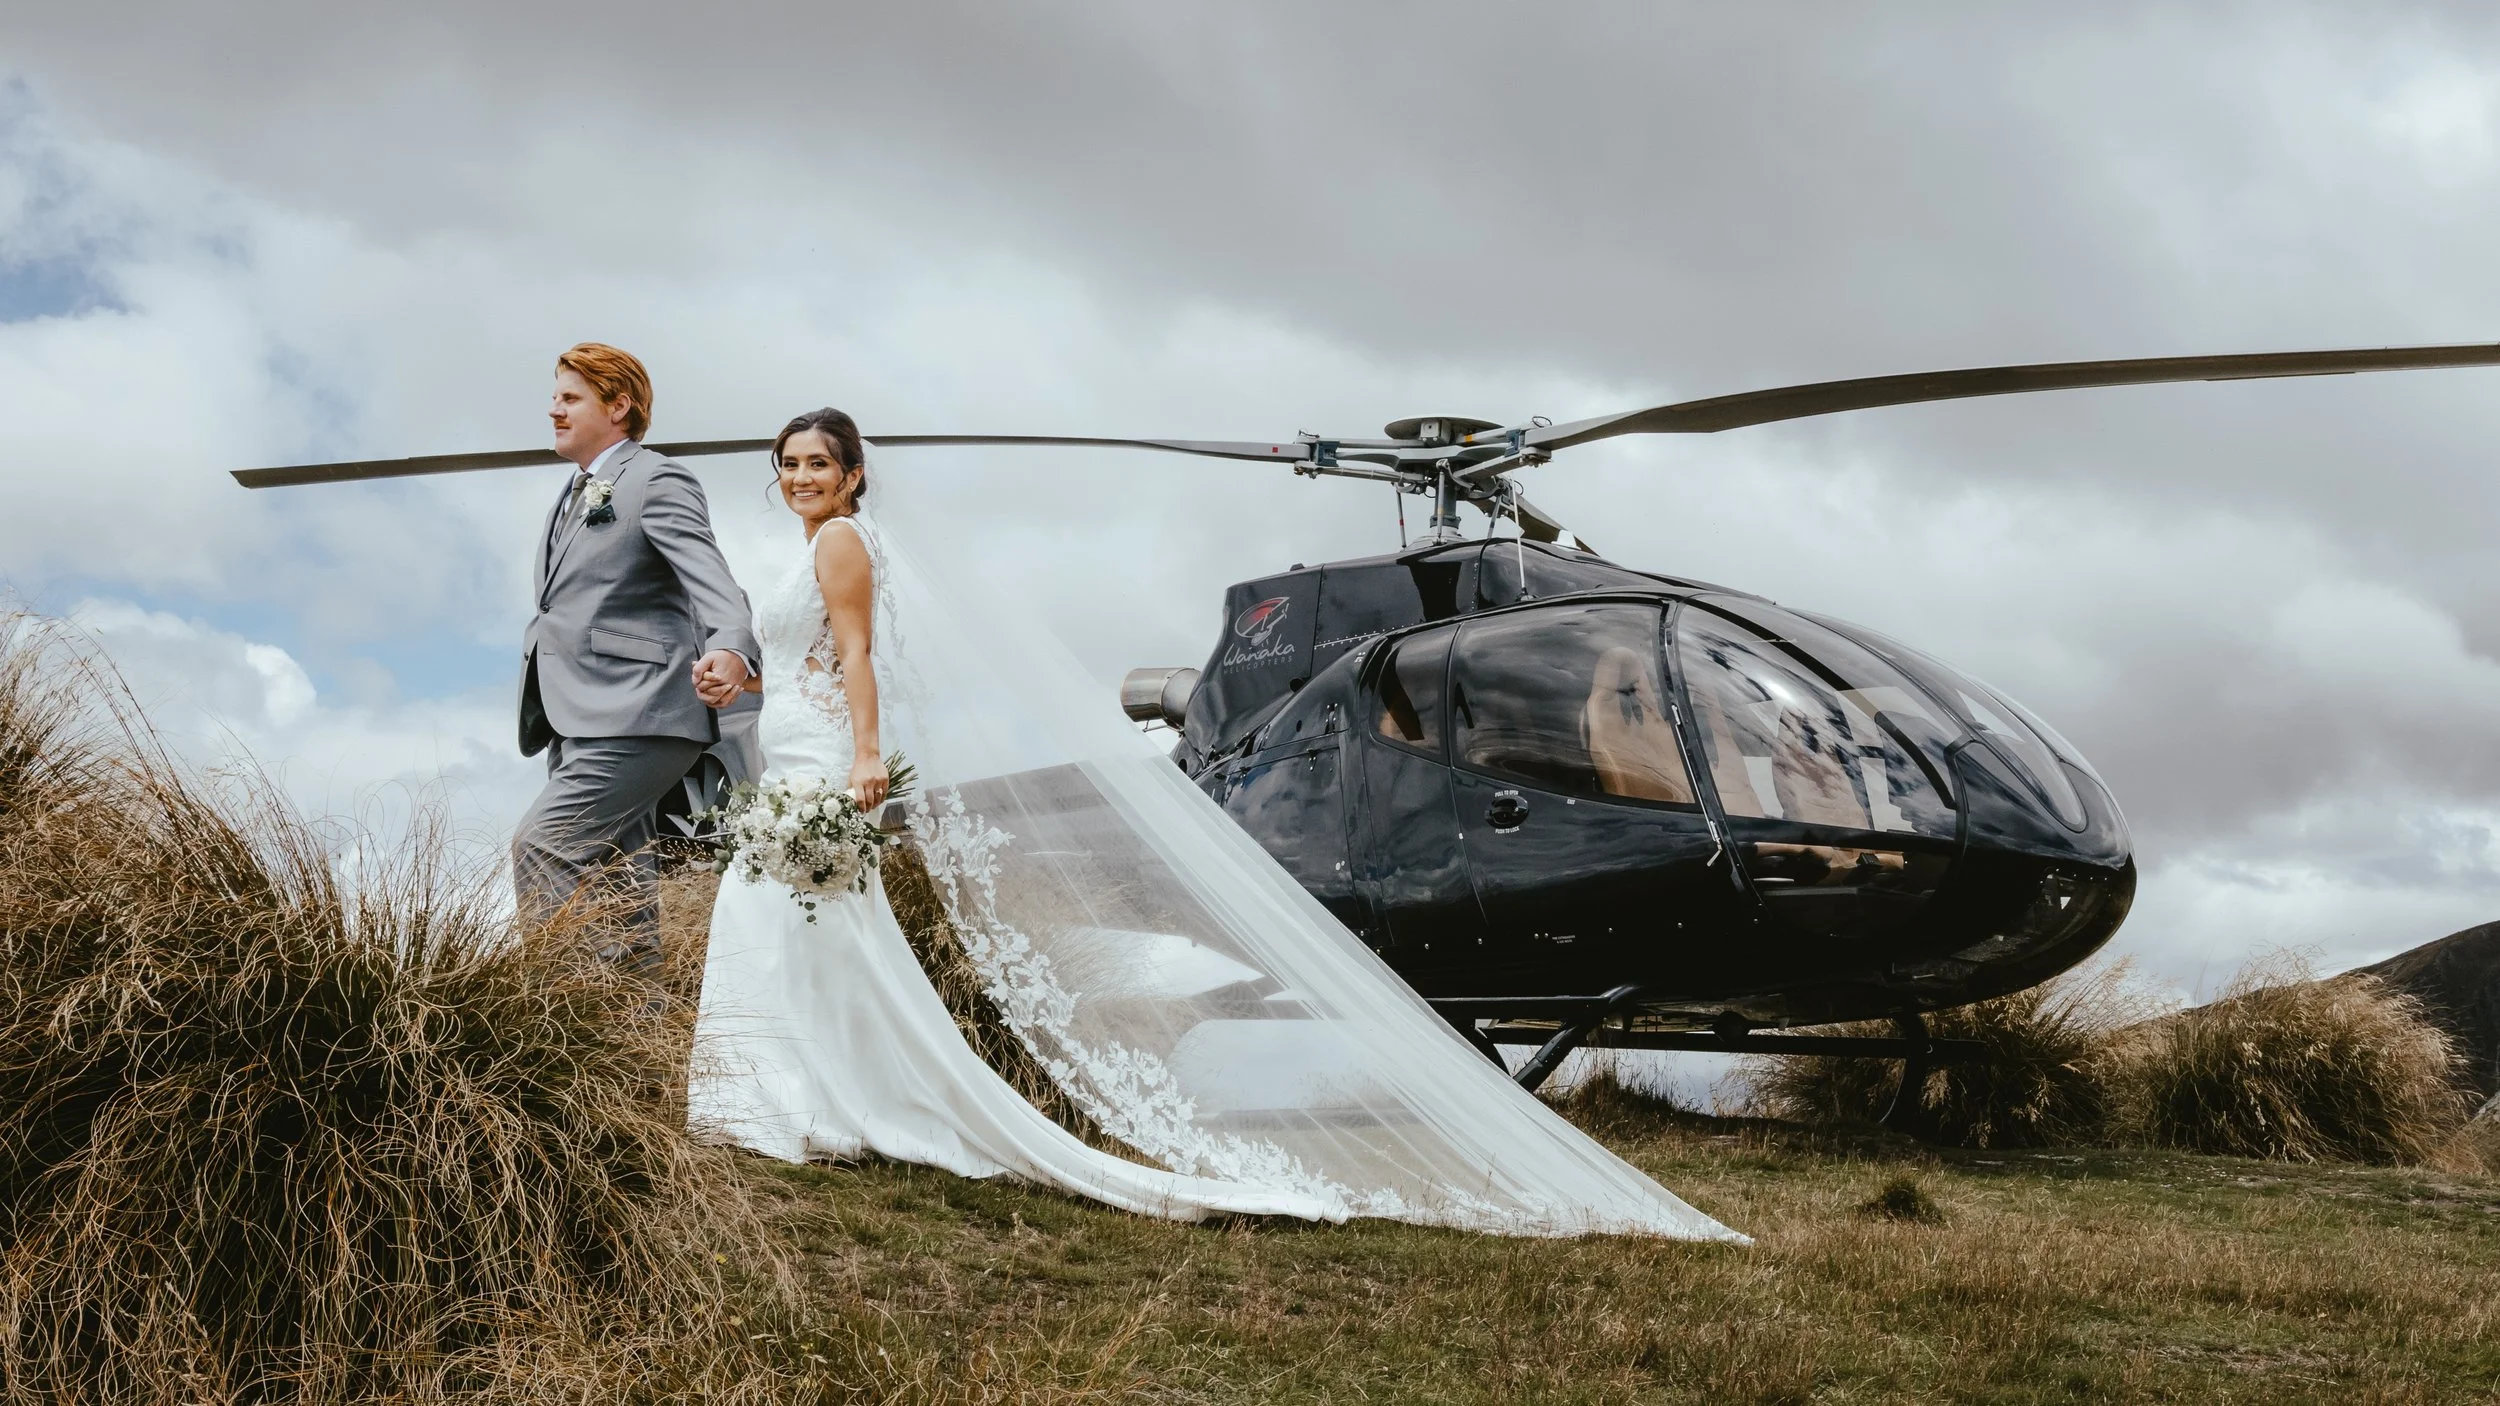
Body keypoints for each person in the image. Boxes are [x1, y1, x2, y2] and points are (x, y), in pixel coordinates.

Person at [687, 407, 1745, 1241]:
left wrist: (867, 755)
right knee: (807, 932)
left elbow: (862, 658)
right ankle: (809, 1097)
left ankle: (810, 1098)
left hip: (827, 761)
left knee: (801, 927)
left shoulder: (839, 545)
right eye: (785, 463)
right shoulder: (819, 545)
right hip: (797, 748)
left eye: (815, 463)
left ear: (853, 472)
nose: (798, 477)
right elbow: (825, 657)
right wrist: (742, 672)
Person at [513, 343, 759, 970]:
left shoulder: (656, 479)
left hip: (641, 712)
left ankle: (553, 1022)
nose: (554, 410)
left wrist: (732, 647)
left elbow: (714, 583)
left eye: (570, 398)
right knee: (624, 892)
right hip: (579, 716)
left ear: (618, 406)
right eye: (555, 398)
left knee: (545, 845)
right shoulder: (571, 495)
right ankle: (637, 1042)